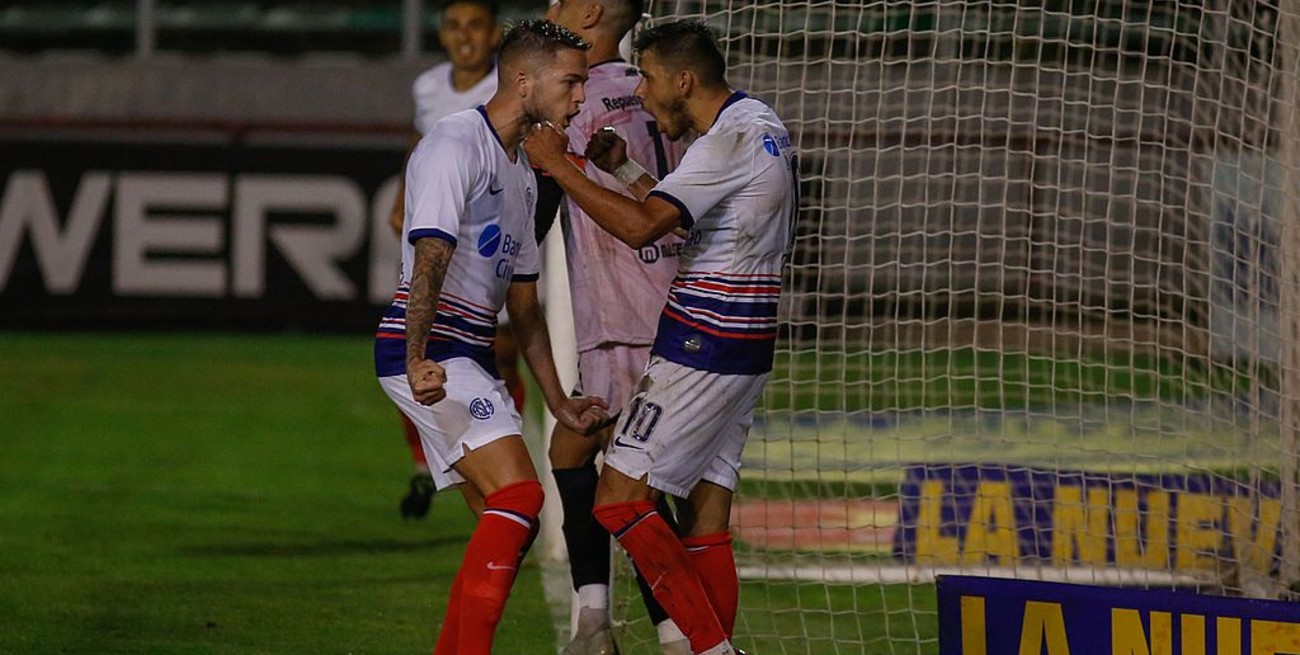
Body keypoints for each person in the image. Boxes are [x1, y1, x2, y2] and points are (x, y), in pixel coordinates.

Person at [524, 19, 797, 655]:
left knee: (618, 499)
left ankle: (710, 649)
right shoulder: (759, 124)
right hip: (746, 347)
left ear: (682, 79)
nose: (641, 93)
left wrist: (560, 168)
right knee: (706, 520)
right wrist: (623, 171)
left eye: (646, 78)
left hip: (702, 342)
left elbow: (645, 231)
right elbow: (695, 226)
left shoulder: (724, 141)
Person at [375, 19, 606, 655]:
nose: (580, 97)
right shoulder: (456, 144)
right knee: (523, 493)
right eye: (572, 81)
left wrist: (557, 400)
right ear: (525, 80)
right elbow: (429, 256)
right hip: (433, 350)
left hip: (470, 349)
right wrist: (419, 357)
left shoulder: (524, 171)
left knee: (507, 521)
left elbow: (524, 306)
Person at [541, 1, 691, 654]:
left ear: (592, 10)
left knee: (628, 489)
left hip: (625, 314)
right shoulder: (660, 87)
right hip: (675, 302)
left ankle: (680, 633)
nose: (550, 7)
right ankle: (599, 620)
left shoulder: (574, 96)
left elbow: (543, 200)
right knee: (578, 454)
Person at [385, 0, 522, 521]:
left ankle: (498, 441)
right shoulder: (428, 87)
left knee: (500, 353)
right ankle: (428, 461)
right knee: (416, 345)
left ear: (493, 36)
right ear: (443, 36)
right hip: (434, 234)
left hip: (488, 237)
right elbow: (419, 145)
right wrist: (403, 201)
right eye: (453, 27)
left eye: (475, 26)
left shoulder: (507, 87)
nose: (464, 37)